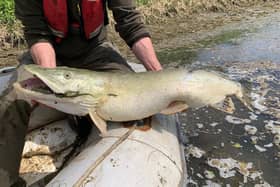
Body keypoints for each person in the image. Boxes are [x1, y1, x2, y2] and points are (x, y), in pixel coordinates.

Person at [0, 0, 163, 186]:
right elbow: (37, 35)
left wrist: (159, 75)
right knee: (10, 102)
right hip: (50, 53)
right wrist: (53, 84)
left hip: (96, 51)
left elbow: (130, 23)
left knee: (131, 98)